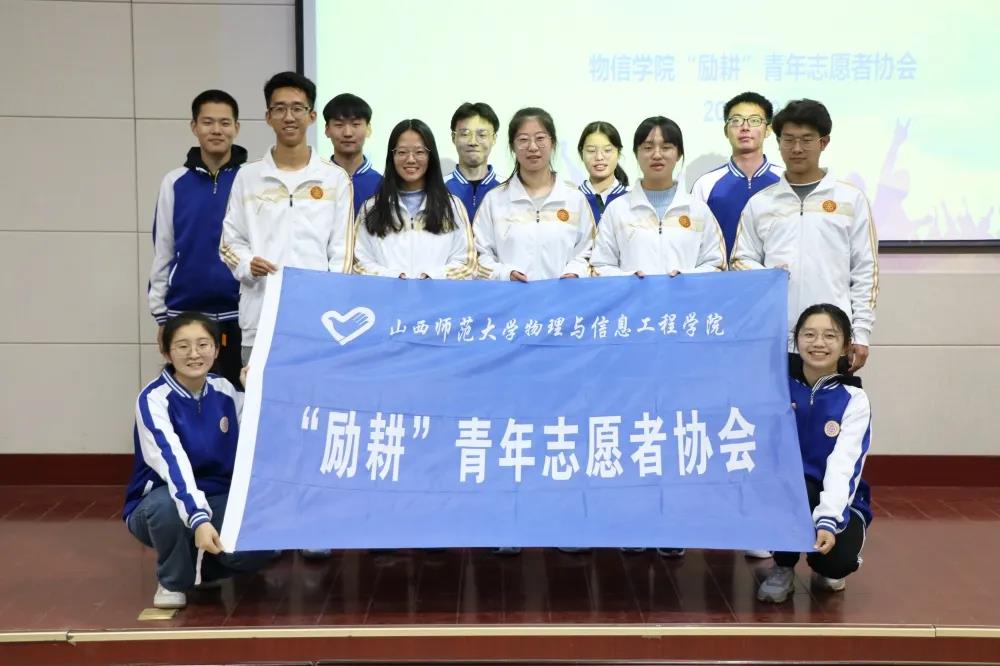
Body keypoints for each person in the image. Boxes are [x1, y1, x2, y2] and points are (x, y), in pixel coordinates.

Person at [124, 312, 275, 609]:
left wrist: (255, 391)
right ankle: (172, 581)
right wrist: (199, 519)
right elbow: (173, 463)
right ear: (166, 352)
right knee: (166, 509)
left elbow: (259, 434)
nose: (194, 354)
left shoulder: (225, 390)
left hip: (217, 496)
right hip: (161, 500)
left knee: (261, 546)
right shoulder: (153, 399)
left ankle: (200, 568)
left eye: (203, 344)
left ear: (216, 350)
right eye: (183, 346)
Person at [731, 99, 878, 373]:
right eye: (788, 139)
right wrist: (768, 274)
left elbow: (865, 270)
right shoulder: (760, 203)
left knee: (830, 403)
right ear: (778, 142)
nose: (797, 148)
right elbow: (740, 260)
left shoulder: (850, 199)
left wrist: (861, 333)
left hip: (831, 339)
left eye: (807, 140)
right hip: (774, 337)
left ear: (824, 142)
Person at [220, 71, 354, 365]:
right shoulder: (248, 177)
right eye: (279, 109)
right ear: (268, 117)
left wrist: (328, 298)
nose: (289, 117)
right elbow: (230, 243)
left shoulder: (334, 178)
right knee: (258, 393)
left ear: (312, 116)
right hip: (260, 316)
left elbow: (342, 253)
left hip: (316, 321)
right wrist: (248, 265)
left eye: (297, 108)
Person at [757, 303, 872, 603]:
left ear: (845, 346)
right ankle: (783, 566)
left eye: (829, 336)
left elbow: (844, 465)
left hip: (833, 495)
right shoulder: (776, 386)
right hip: (784, 490)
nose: (818, 343)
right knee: (789, 489)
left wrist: (828, 520)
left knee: (836, 563)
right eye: (809, 334)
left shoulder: (854, 399)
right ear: (796, 341)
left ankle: (824, 564)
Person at [148, 90, 246, 388]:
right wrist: (161, 315)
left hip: (241, 315)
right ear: (194, 126)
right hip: (186, 315)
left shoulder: (250, 180)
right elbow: (163, 249)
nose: (216, 130)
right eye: (208, 122)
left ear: (236, 127)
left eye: (224, 123)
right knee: (189, 401)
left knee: (241, 399)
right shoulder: (174, 182)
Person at [591, 116, 726, 277]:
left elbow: (716, 265)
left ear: (679, 154)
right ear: (636, 153)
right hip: (633, 294)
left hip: (685, 294)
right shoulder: (617, 210)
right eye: (648, 147)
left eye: (666, 147)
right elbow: (600, 266)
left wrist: (684, 278)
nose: (656, 155)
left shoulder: (698, 210)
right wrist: (630, 279)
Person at [474, 107, 596, 283]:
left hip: (562, 297)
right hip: (511, 297)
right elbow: (480, 256)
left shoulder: (574, 199)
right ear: (512, 146)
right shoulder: (494, 200)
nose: (532, 147)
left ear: (553, 143)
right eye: (523, 140)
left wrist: (575, 272)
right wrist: (505, 274)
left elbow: (588, 253)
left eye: (540, 138)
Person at [354, 119, 476, 279]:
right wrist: (394, 278)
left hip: (437, 294)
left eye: (419, 152)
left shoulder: (452, 207)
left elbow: (467, 264)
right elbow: (358, 263)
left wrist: (432, 278)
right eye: (402, 152)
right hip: (386, 294)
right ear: (392, 156)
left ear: (430, 156)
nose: (410, 159)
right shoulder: (371, 208)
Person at [690, 91, 783, 257]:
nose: (745, 127)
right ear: (726, 131)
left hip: (776, 272)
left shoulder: (785, 180)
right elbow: (694, 240)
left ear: (768, 130)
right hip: (721, 273)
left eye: (754, 120)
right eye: (736, 121)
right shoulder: (705, 185)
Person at [323, 93, 383, 214]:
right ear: (327, 130)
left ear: (368, 129)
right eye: (339, 125)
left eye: (355, 124)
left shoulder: (382, 185)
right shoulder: (316, 181)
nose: (348, 133)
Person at [445, 102, 501, 221]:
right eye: (465, 134)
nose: (473, 142)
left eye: (482, 135)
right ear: (453, 137)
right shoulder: (438, 188)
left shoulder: (508, 187)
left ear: (494, 138)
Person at [577, 121, 629, 224]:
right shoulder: (572, 198)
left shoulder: (631, 199)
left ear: (618, 153)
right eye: (591, 150)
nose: (599, 157)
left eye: (607, 150)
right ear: (581, 153)